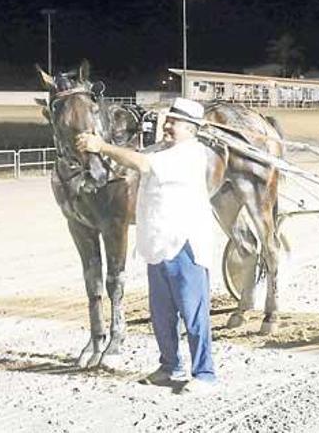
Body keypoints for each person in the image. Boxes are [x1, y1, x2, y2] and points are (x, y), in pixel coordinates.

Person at [75, 98, 216, 394]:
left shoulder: (190, 153)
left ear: (191, 129)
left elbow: (140, 162)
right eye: (168, 121)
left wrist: (101, 145)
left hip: (185, 246)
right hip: (157, 244)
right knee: (161, 315)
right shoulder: (162, 150)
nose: (167, 126)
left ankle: (204, 374)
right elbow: (129, 158)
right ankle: (169, 366)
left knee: (193, 315)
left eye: (174, 123)